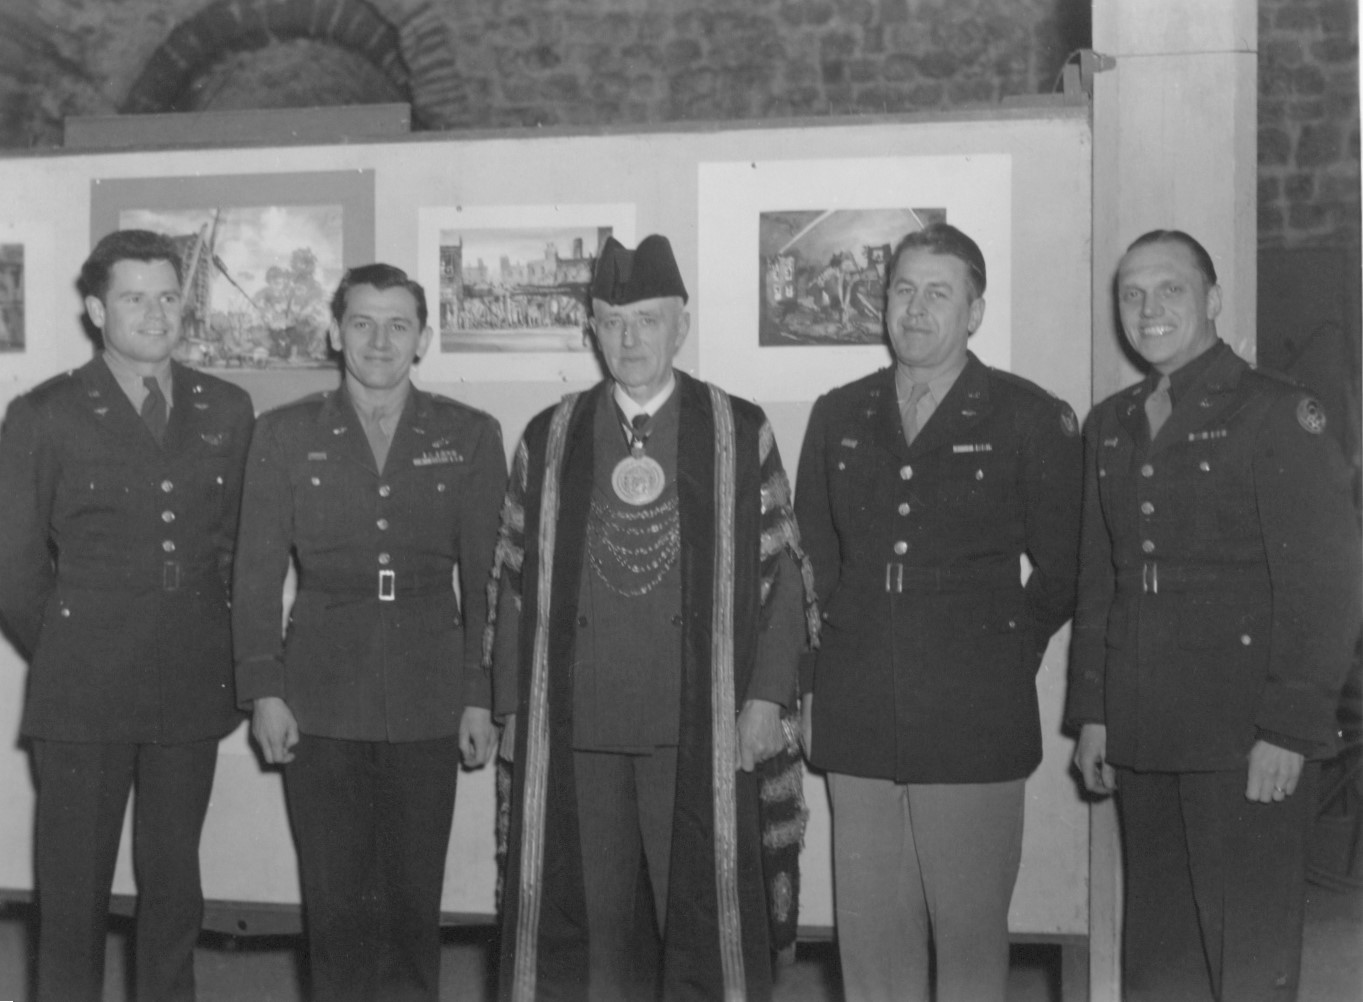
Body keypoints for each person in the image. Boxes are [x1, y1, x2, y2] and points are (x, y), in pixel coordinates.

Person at [487, 234, 816, 1002]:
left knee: (700, 922)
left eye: (646, 320)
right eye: (610, 321)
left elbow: (783, 578)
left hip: (697, 725)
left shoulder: (736, 429)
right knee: (590, 932)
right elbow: (510, 579)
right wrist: (509, 706)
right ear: (592, 331)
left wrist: (766, 700)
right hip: (577, 728)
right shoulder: (551, 433)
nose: (628, 339)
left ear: (681, 324)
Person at [1068, 230, 1362, 1001]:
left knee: (1247, 954)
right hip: (1143, 725)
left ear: (1211, 300)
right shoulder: (1111, 422)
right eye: (1131, 294)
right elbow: (1102, 579)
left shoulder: (1274, 411)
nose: (1147, 309)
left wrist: (1288, 729)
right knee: (1160, 958)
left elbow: (1324, 584)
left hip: (1244, 733)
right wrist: (1094, 712)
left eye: (1168, 289)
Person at [794, 222, 1082, 1002]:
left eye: (938, 293)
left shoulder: (1027, 416)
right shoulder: (838, 414)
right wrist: (812, 685)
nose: (915, 310)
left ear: (974, 311)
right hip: (857, 707)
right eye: (902, 290)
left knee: (966, 939)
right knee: (871, 942)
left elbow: (1067, 566)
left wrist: (1003, 648)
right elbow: (811, 565)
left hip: (972, 714)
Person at [231, 263, 505, 1002]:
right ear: (334, 331)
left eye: (398, 325)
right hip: (320, 688)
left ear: (423, 340)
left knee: (415, 899)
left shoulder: (469, 434)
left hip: (428, 686)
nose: (379, 340)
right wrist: (264, 690)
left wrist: (480, 695)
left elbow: (485, 581)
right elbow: (254, 577)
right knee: (335, 900)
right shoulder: (284, 434)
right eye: (361, 322)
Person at [0, 228, 255, 1002]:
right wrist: (76, 648)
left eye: (169, 297)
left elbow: (238, 548)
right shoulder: (45, 412)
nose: (155, 314)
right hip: (82, 692)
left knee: (175, 884)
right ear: (94, 308)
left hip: (190, 678)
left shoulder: (227, 406)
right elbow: (12, 567)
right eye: (134, 298)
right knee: (74, 891)